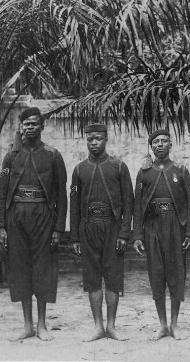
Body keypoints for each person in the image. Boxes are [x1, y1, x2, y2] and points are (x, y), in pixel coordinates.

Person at [0, 107, 67, 341]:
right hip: (15, 216)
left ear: (42, 127)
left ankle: (42, 324)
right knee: (21, 269)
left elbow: (62, 195)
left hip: (43, 217)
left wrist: (58, 228)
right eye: (26, 124)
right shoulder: (11, 156)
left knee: (42, 269)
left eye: (34, 124)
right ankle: (27, 325)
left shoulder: (53, 155)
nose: (30, 128)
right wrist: (1, 226)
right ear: (21, 127)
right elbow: (2, 191)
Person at [70, 124, 134, 341]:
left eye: (98, 139)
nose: (93, 143)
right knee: (92, 278)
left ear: (106, 139)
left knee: (113, 277)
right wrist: (76, 237)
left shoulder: (118, 167)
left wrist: (124, 234)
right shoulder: (79, 169)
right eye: (90, 139)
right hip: (88, 228)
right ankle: (98, 326)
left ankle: (112, 326)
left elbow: (129, 202)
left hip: (112, 227)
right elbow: (75, 204)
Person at [132, 129, 190, 340]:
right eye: (156, 142)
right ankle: (162, 324)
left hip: (175, 227)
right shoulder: (144, 172)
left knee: (176, 273)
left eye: (164, 141)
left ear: (170, 145)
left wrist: (189, 232)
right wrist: (138, 235)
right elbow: (138, 205)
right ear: (151, 147)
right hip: (152, 226)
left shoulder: (180, 170)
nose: (160, 145)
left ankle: (175, 324)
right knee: (156, 273)